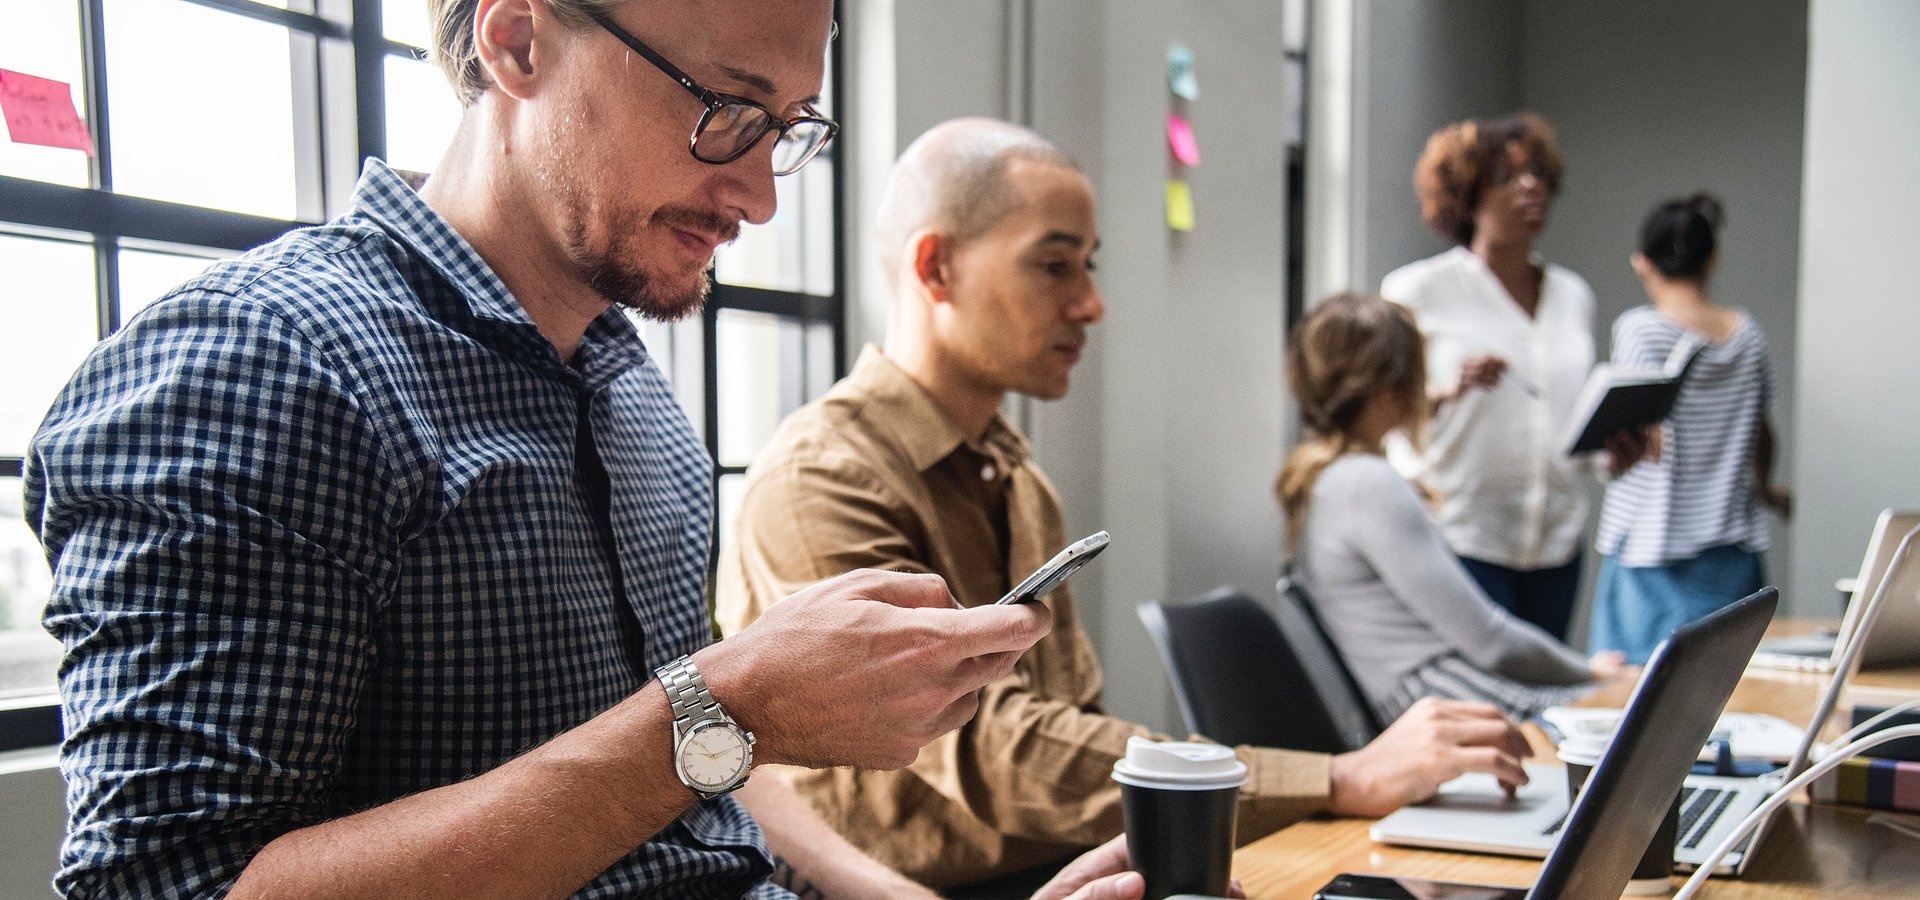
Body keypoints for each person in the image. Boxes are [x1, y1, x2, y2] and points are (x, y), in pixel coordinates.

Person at [22, 2, 1161, 897]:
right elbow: (170, 881)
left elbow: (691, 778)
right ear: (517, 39)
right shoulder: (263, 366)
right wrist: (730, 701)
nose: (760, 195)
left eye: (788, 129)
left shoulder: (637, 403)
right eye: (724, 106)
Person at [715, 117, 1537, 892]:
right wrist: (1339, 777)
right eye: (1055, 264)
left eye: (1090, 266)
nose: (1091, 303)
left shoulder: (1015, 474)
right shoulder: (821, 481)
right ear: (937, 269)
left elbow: (1068, 726)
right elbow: (990, 748)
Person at [1275, 293, 1630, 723]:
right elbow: (1491, 640)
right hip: (1447, 704)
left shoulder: (1328, 479)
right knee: (1642, 716)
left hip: (1438, 698)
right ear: (1390, 391)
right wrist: (1592, 673)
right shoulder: (1367, 484)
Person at [1379, 113, 1597, 641]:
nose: (1531, 186)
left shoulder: (1573, 296)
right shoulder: (1417, 291)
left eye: (1539, 174)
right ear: (1467, 196)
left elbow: (1569, 412)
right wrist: (1447, 388)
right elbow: (1380, 409)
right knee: (1481, 705)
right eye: (1506, 177)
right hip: (1462, 537)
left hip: (1556, 538)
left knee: (1542, 704)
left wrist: (1616, 445)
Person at [1588, 194, 1790, 664]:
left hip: (1651, 552)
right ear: (1712, 258)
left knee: (1635, 702)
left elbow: (1633, 428)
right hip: (1730, 549)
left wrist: (1608, 460)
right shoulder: (1748, 334)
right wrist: (1765, 489)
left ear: (1643, 264)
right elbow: (1761, 432)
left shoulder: (1640, 329)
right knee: (1727, 690)